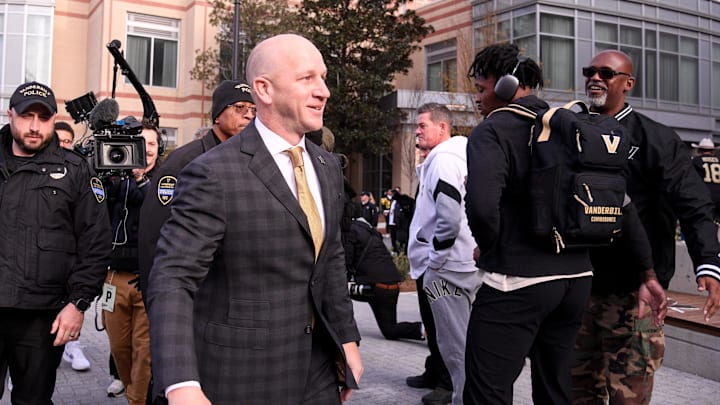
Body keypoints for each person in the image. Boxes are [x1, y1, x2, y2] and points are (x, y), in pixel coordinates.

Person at [146, 33, 363, 405]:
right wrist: (181, 382)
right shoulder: (213, 173)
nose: (323, 91)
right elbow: (172, 278)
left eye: (323, 78)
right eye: (307, 78)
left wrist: (347, 340)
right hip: (239, 376)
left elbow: (331, 260)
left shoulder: (327, 167)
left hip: (318, 374)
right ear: (264, 88)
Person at [463, 44, 666, 405]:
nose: (478, 99)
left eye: (481, 89)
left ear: (507, 85)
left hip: (516, 282)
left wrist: (492, 248)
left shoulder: (493, 131)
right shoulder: (572, 126)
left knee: (487, 390)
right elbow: (622, 204)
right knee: (557, 390)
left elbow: (480, 207)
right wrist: (647, 274)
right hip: (575, 282)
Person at [571, 49, 720, 405]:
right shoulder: (570, 132)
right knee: (574, 392)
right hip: (577, 287)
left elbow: (694, 204)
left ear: (628, 83)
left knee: (629, 396)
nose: (595, 78)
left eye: (606, 73)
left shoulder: (656, 139)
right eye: (590, 71)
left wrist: (708, 263)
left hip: (635, 293)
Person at [0, 81, 111, 403]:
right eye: (26, 116)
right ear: (11, 115)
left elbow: (95, 243)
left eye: (44, 117)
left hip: (41, 316)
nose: (34, 126)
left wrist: (78, 305)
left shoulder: (75, 170)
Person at [138, 79, 256, 297]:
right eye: (239, 108)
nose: (248, 115)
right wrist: (157, 301)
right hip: (191, 297)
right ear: (218, 115)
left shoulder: (253, 161)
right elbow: (153, 235)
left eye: (253, 110)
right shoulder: (184, 161)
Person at [407, 102, 480, 405]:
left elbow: (448, 216)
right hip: (462, 262)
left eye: (423, 125)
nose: (417, 131)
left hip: (446, 269)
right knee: (462, 342)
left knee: (454, 345)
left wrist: (434, 262)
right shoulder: (461, 154)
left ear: (442, 127)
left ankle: (461, 395)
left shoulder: (444, 160)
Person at [102, 121, 161, 405]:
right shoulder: (116, 178)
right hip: (114, 278)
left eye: (151, 144)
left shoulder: (165, 180)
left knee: (145, 351)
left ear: (158, 148)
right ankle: (132, 392)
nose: (145, 150)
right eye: (140, 143)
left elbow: (156, 203)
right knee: (119, 348)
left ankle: (137, 400)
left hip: (148, 279)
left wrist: (140, 179)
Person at [343, 202, 424, 341]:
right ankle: (423, 329)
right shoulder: (370, 230)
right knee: (390, 328)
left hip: (377, 287)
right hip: (391, 284)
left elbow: (347, 261)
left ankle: (423, 328)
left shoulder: (351, 231)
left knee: (338, 292)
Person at [50, 120, 93, 373]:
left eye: (67, 142)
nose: (63, 147)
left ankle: (73, 346)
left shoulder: (81, 172)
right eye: (58, 141)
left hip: (73, 260)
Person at [691, 137, 720, 227]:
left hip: (704, 196)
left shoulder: (696, 161)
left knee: (703, 224)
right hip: (719, 196)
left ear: (699, 150)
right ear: (712, 151)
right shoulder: (719, 161)